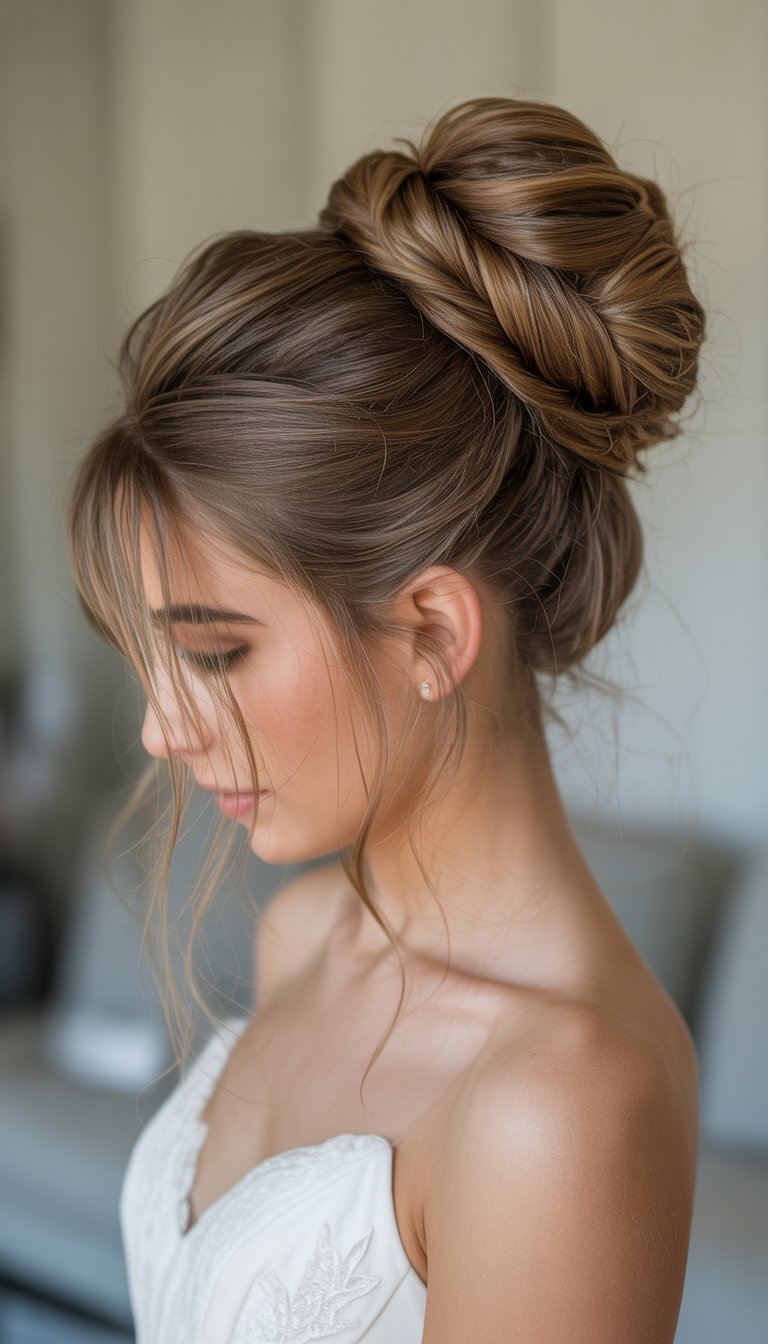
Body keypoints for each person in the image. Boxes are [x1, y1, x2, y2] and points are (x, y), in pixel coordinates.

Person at [67, 96, 705, 1343]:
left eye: (214, 652)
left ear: (431, 632)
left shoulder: (558, 1100)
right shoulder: (302, 936)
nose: (160, 729)